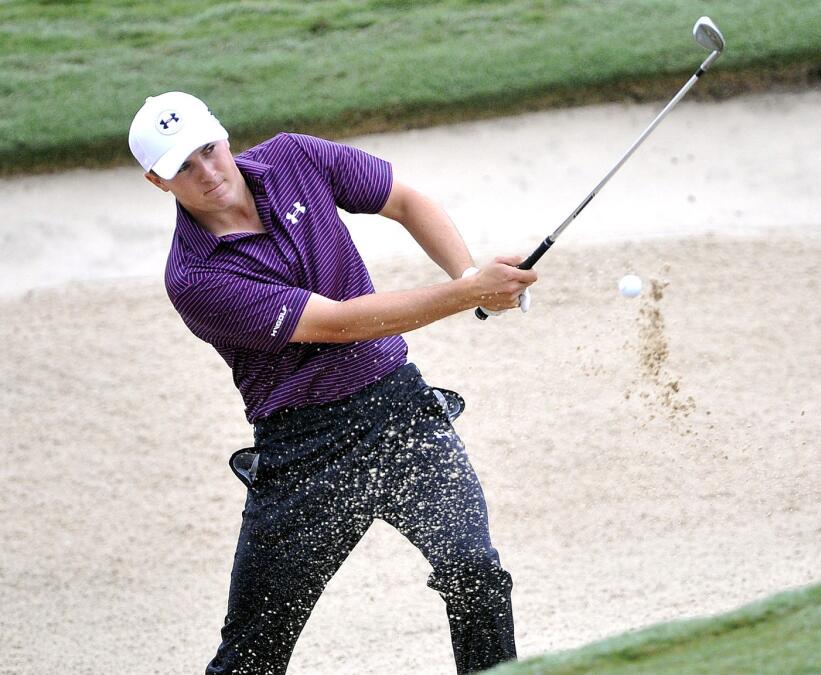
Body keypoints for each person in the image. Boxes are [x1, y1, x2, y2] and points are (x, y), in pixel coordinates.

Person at [128, 91, 535, 674]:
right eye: (182, 168)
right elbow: (340, 324)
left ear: (224, 135)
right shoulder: (195, 277)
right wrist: (469, 294)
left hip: (399, 411)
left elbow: (403, 199)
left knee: (475, 571)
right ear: (156, 181)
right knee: (252, 653)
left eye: (208, 150)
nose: (207, 173)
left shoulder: (294, 157)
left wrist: (466, 273)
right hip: (304, 453)